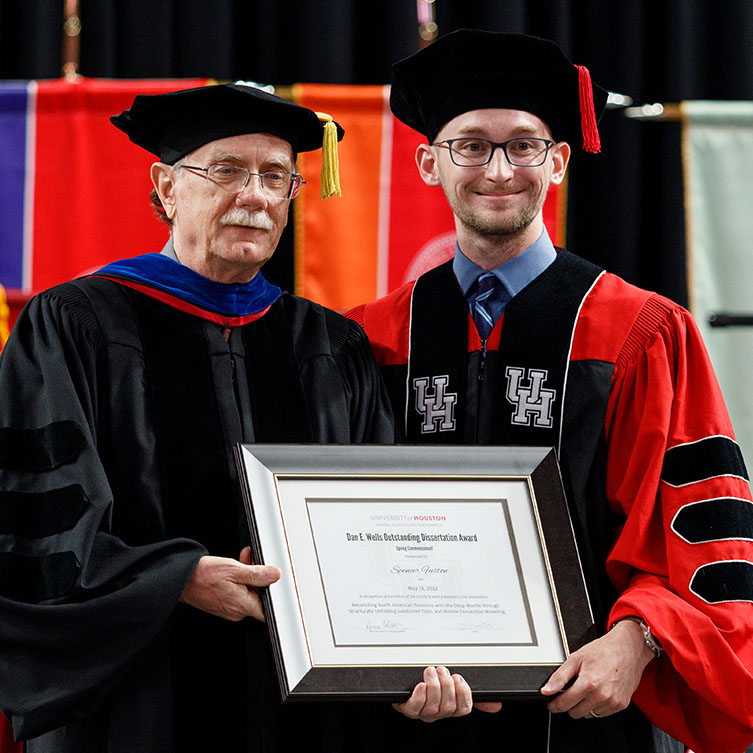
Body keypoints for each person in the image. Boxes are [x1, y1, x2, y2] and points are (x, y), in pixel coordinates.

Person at [0, 83, 495, 753]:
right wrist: (175, 576)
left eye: (275, 177)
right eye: (226, 170)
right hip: (136, 697)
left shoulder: (326, 343)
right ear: (166, 187)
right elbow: (36, 525)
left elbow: (385, 523)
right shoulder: (75, 323)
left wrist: (414, 656)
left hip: (306, 702)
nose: (255, 196)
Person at [347, 30, 753, 753]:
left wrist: (639, 639)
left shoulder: (642, 332)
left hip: (593, 711)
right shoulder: (370, 340)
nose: (497, 168)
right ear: (427, 162)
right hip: (412, 710)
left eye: (523, 144)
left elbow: (698, 528)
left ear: (558, 161)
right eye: (469, 144)